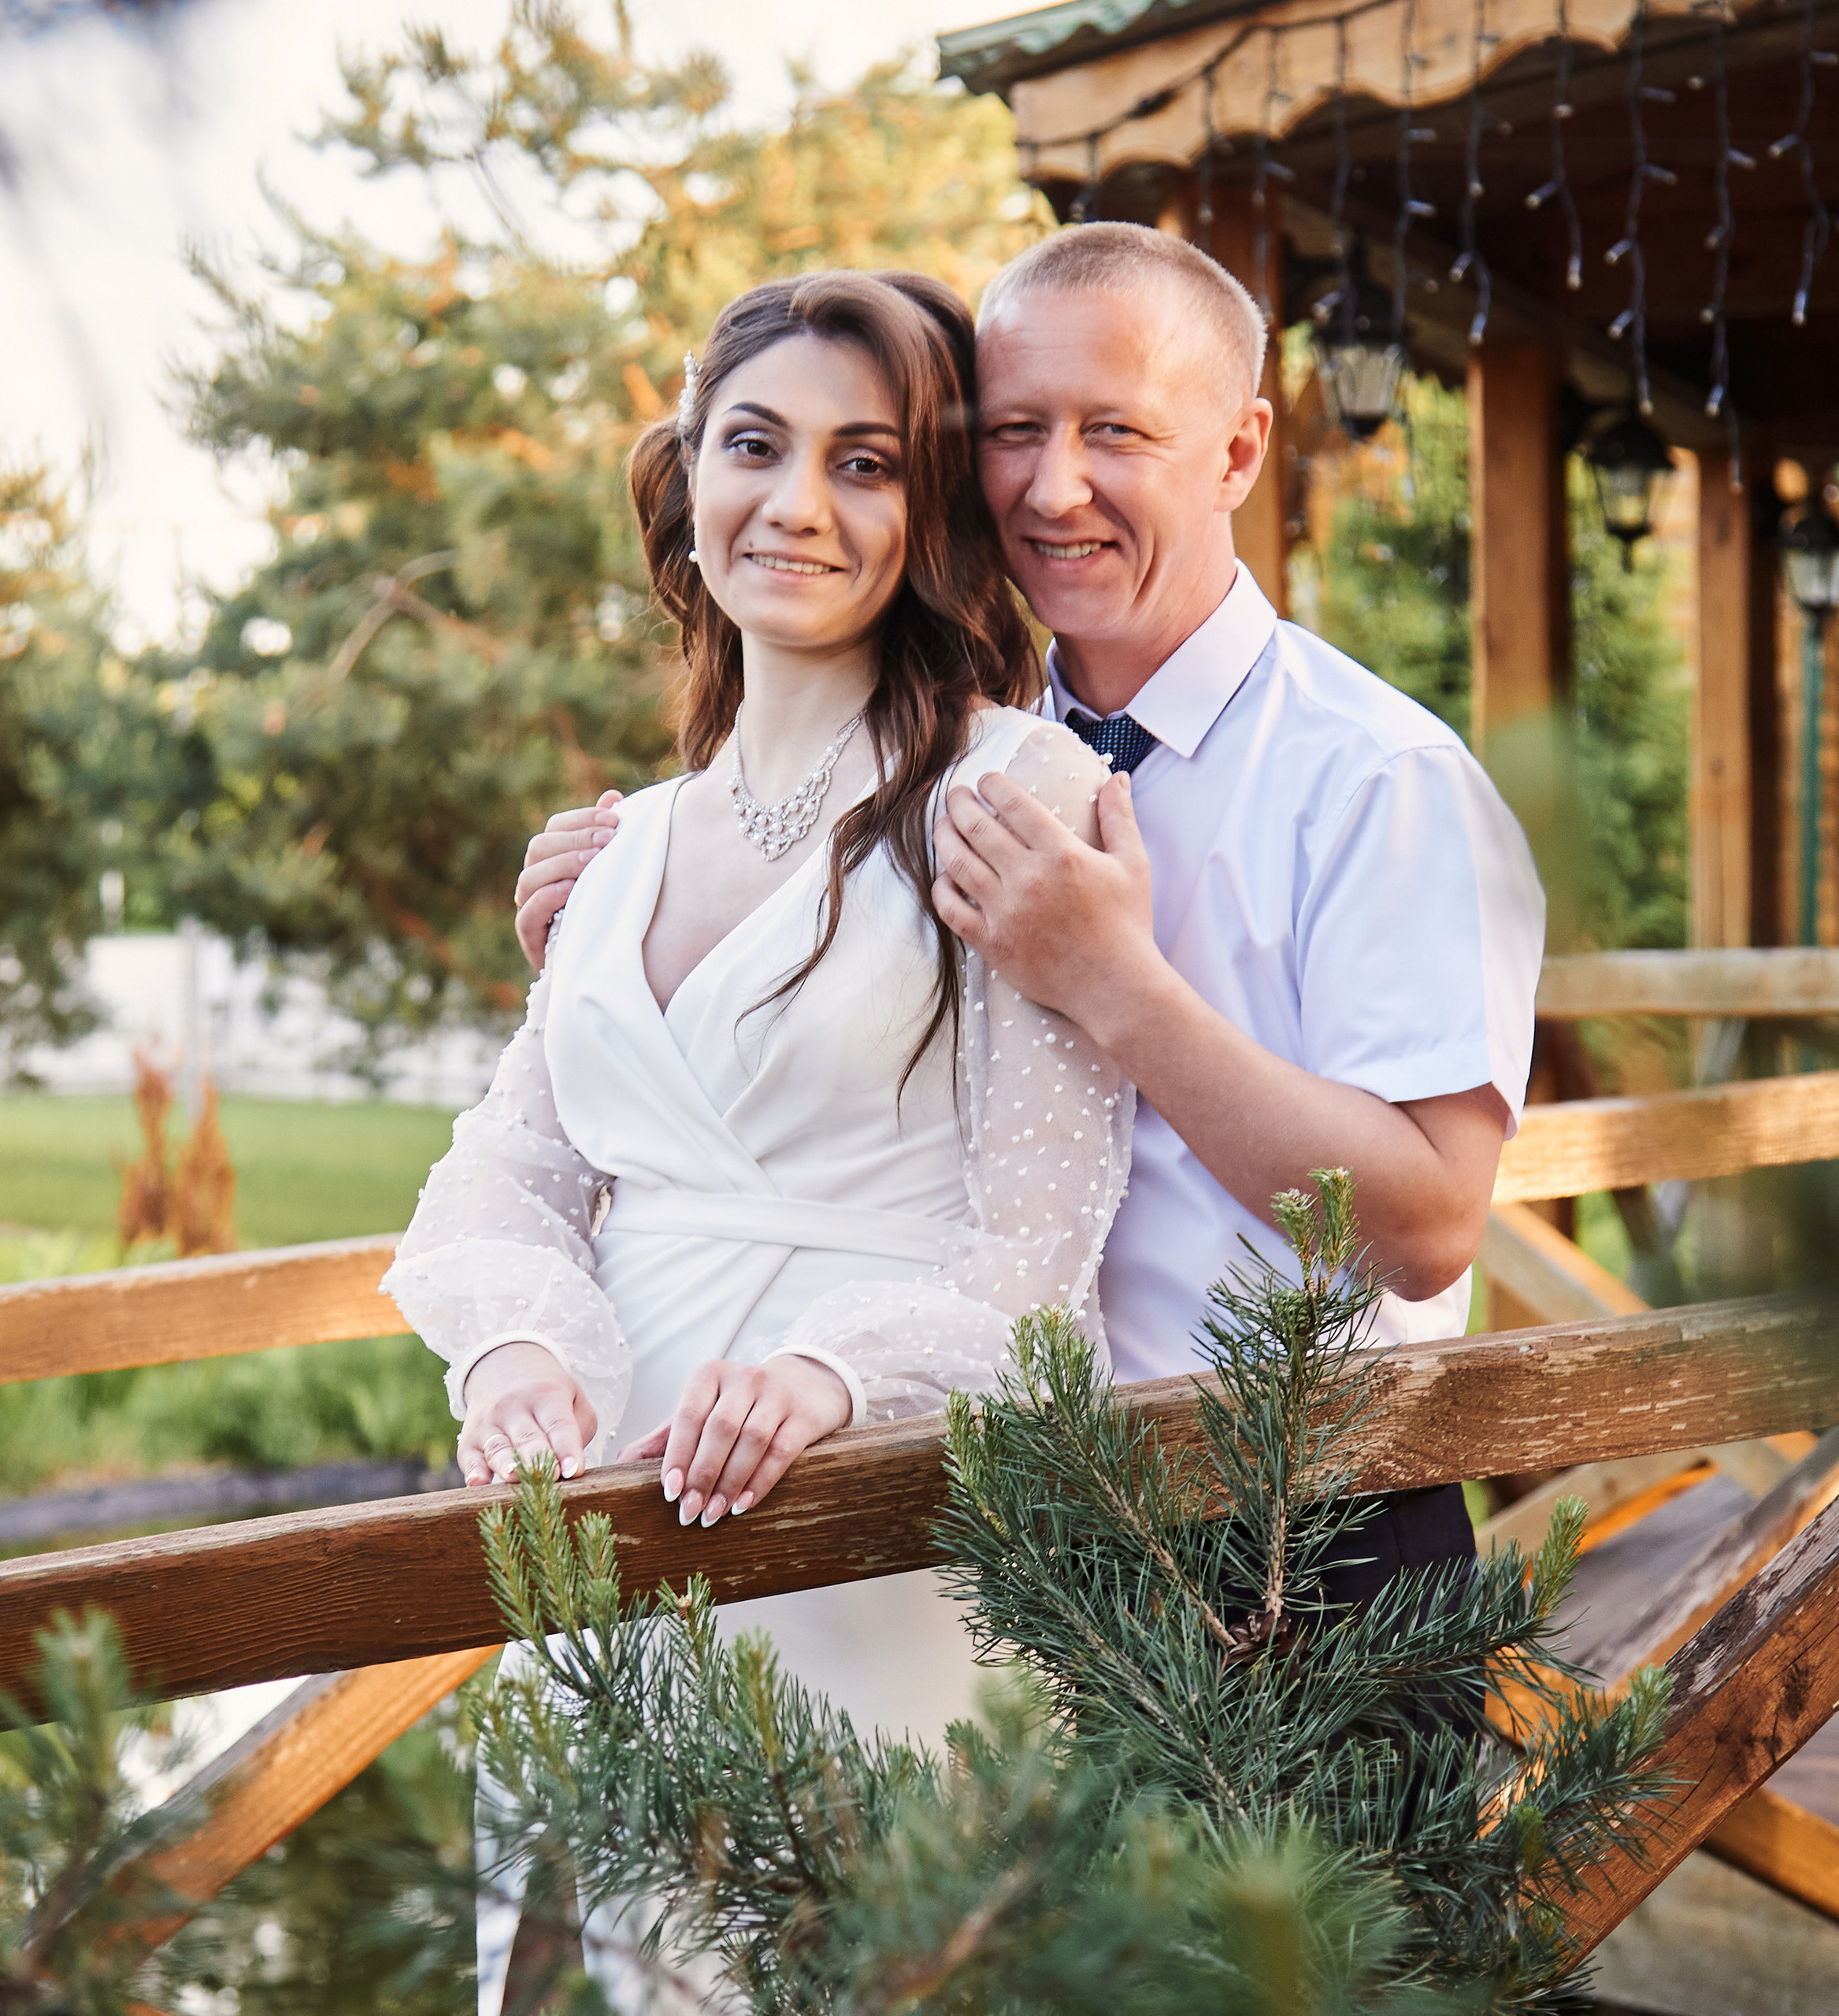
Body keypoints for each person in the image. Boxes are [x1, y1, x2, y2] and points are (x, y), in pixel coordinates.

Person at [517, 224, 1545, 1612]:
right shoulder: (963, 764)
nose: (1057, 489)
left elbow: (1423, 1226)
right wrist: (606, 955)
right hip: (1005, 1520)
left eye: (1116, 432)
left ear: (1238, 452)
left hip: (1295, 1531)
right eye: (1015, 432)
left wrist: (1119, 986)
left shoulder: (1379, 781)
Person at [382, 268, 1132, 2013]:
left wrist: (818, 1372)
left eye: (863, 462)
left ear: (930, 508)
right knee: (596, 1962)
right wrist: (509, 1346)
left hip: (854, 1507)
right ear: (688, 478)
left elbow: (1035, 1270)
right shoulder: (620, 840)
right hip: (598, 1505)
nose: (794, 503)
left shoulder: (1013, 789)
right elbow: (512, 1166)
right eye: (753, 444)